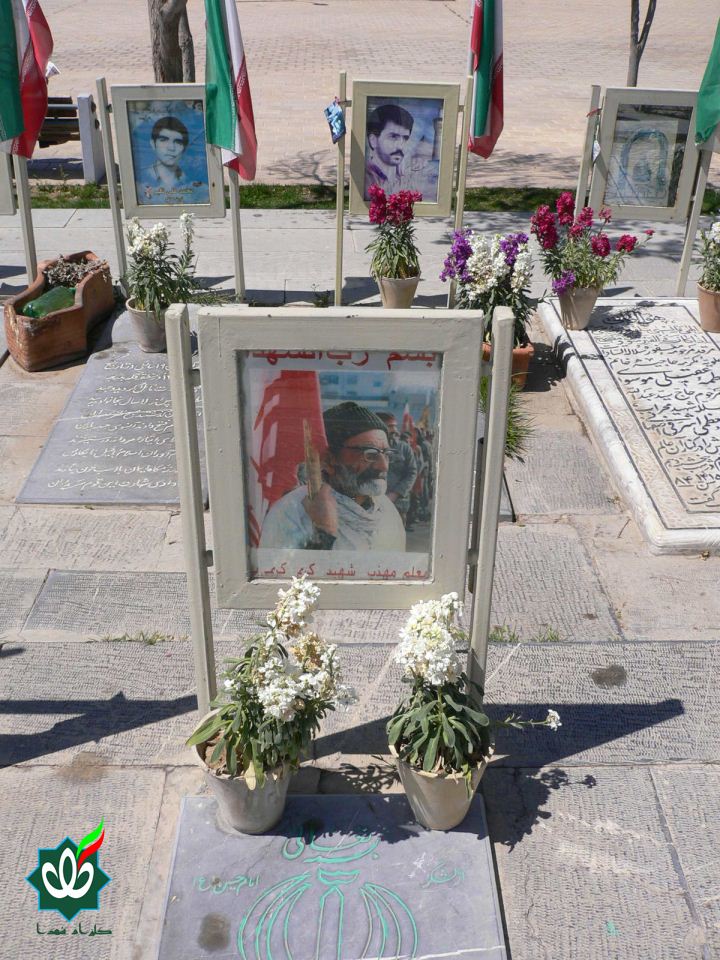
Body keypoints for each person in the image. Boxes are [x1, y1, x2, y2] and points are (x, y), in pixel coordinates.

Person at [260, 401, 406, 551]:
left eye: (386, 454)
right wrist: (324, 533)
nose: (383, 466)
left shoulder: (387, 511)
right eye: (369, 454)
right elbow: (283, 565)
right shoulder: (291, 512)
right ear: (329, 461)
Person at [364, 103, 438, 199]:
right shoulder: (365, 179)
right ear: (373, 140)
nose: (401, 146)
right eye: (393, 137)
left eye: (405, 138)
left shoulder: (404, 176)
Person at [136, 116, 209, 205]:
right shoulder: (138, 183)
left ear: (184, 148)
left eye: (178, 142)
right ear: (153, 144)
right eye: (163, 140)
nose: (171, 148)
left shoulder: (197, 186)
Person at [376, 411, 417, 527]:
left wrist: (395, 493)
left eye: (395, 426)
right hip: (375, 503)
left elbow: (412, 473)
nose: (394, 429)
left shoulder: (404, 448)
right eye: (390, 426)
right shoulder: (371, 447)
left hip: (398, 504)